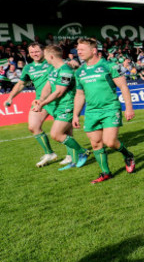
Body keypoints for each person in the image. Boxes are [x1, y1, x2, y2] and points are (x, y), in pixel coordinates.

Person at [73, 38, 136, 184]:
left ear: (93, 50)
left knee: (110, 141)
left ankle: (128, 155)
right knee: (95, 144)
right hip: (91, 111)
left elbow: (123, 87)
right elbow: (80, 94)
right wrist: (75, 114)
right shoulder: (79, 72)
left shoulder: (109, 66)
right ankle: (106, 173)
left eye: (82, 49)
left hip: (110, 108)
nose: (79, 52)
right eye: (78, 49)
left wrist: (129, 107)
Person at [3, 43, 65, 167]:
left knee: (63, 131)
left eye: (37, 51)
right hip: (39, 101)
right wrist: (10, 97)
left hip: (57, 98)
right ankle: (49, 153)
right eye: (32, 52)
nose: (34, 54)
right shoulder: (28, 68)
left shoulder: (52, 63)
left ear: (44, 51)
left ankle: (73, 154)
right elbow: (21, 84)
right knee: (33, 126)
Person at [32, 45, 89, 170]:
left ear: (51, 56)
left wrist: (43, 104)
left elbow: (59, 92)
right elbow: (47, 86)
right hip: (59, 106)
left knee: (56, 134)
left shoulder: (66, 71)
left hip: (67, 105)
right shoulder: (53, 70)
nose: (45, 58)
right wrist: (40, 99)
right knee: (67, 134)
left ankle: (82, 152)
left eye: (46, 56)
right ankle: (74, 161)